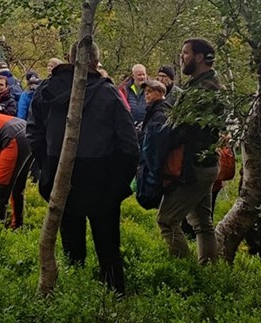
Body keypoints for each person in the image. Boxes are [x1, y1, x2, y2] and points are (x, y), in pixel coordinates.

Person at [27, 40, 139, 294]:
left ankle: (74, 293)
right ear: (95, 62)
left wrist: (47, 168)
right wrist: (120, 183)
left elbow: (33, 133)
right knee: (108, 245)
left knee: (71, 243)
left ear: (69, 58)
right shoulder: (108, 93)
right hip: (102, 181)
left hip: (62, 177)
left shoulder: (47, 88)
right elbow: (129, 145)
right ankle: (114, 296)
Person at [156, 38, 225, 264]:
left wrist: (160, 138)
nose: (181, 57)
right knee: (203, 223)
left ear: (199, 57)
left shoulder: (204, 89)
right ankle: (208, 269)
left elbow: (182, 129)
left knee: (167, 220)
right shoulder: (203, 84)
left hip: (194, 166)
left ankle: (186, 273)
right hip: (206, 164)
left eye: (185, 53)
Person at [135, 77, 172, 209]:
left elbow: (154, 148)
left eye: (150, 91)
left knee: (165, 216)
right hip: (156, 167)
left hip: (157, 170)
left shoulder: (160, 115)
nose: (146, 93)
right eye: (145, 91)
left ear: (161, 93)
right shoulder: (153, 111)